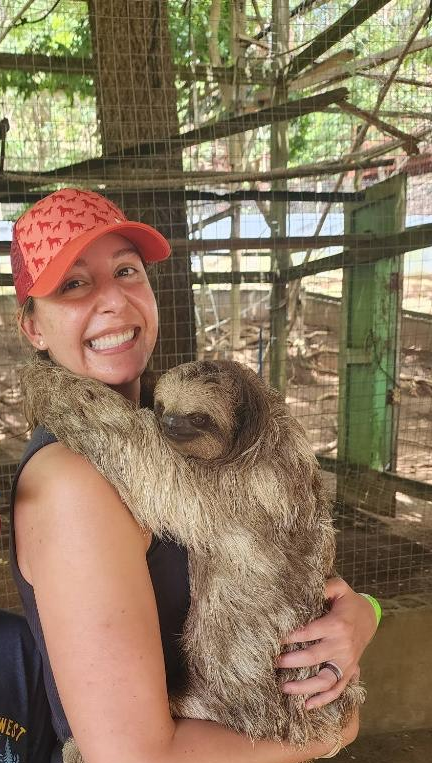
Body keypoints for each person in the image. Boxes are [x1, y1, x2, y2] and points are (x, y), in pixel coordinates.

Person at [6, 187, 378, 763]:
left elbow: (290, 562)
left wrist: (361, 615)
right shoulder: (72, 484)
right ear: (32, 327)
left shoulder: (165, 427)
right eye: (74, 283)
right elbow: (135, 757)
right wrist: (334, 731)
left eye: (127, 270)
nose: (114, 301)